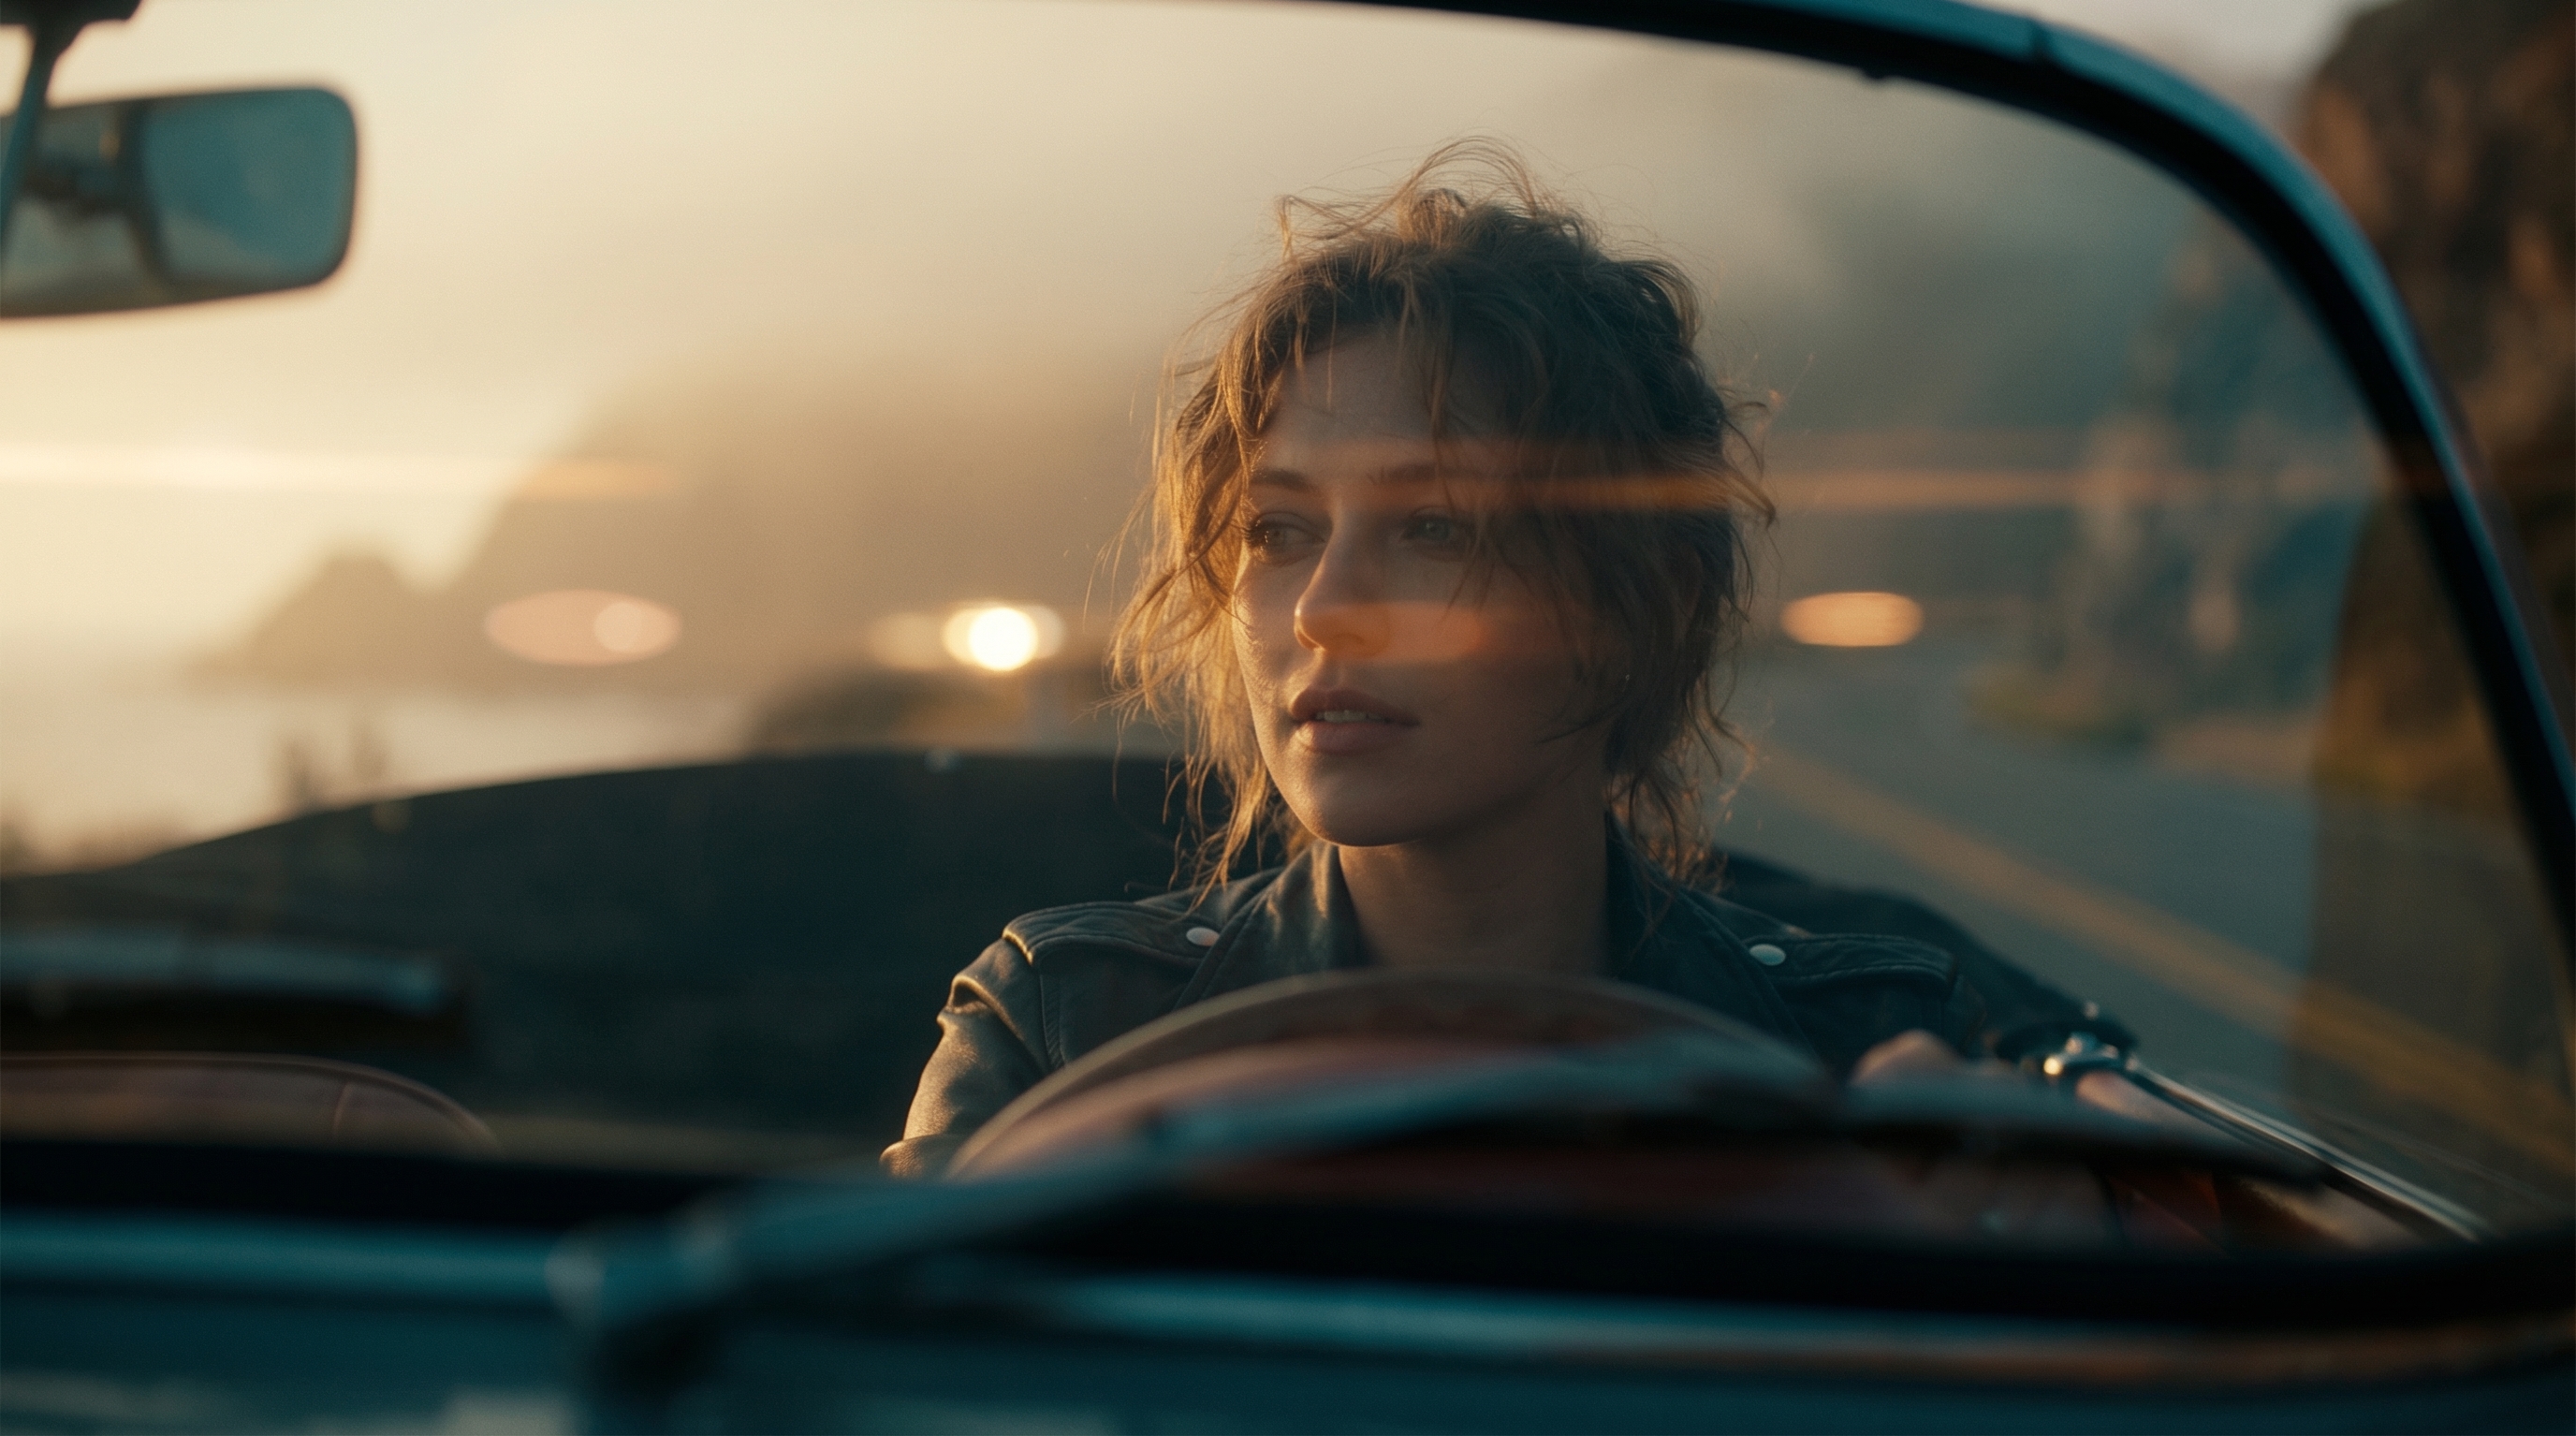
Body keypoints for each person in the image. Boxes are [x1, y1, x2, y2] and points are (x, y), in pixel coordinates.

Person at [882, 144, 2114, 1179]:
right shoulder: (1062, 1022)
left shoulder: (1873, 1043)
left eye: (1435, 528)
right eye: (1279, 532)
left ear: (1634, 602)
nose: (1323, 613)